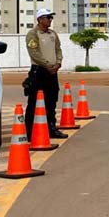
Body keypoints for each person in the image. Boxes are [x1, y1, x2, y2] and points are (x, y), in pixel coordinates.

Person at [24, 8, 67, 140]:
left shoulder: (52, 34)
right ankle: (30, 132)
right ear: (40, 19)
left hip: (52, 71)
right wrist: (47, 65)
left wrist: (58, 62)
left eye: (50, 17)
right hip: (39, 71)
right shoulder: (33, 34)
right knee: (34, 102)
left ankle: (51, 128)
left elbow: (58, 49)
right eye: (47, 17)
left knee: (51, 100)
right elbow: (34, 53)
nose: (50, 20)